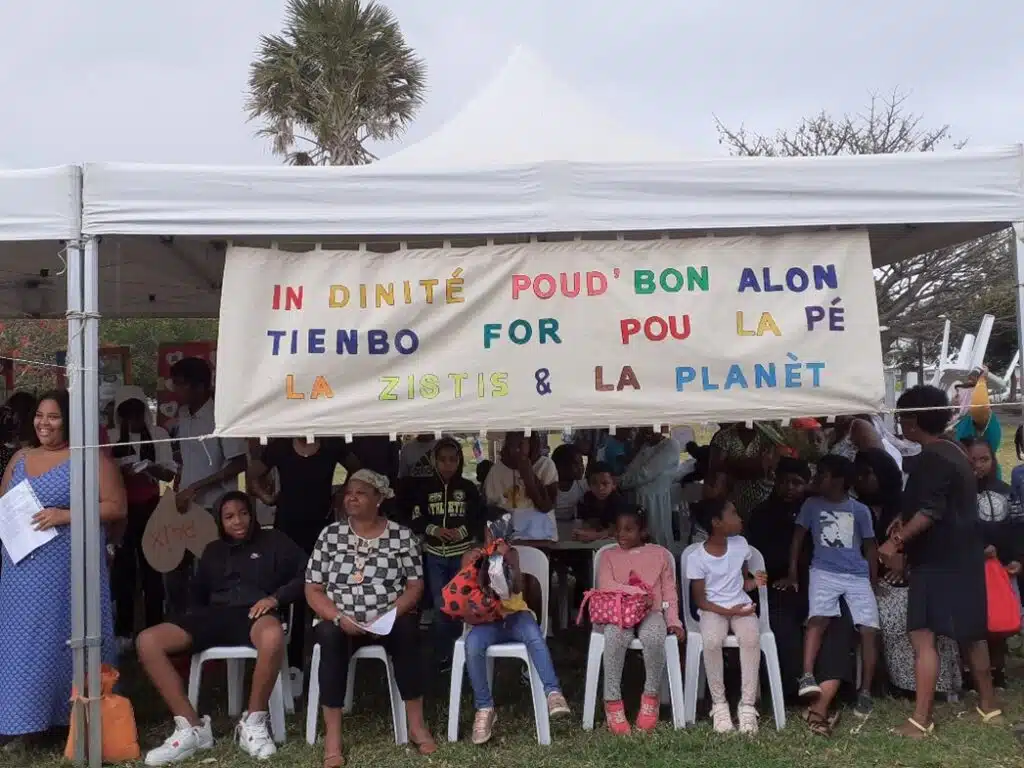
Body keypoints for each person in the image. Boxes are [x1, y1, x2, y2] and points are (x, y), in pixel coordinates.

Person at [136, 491, 306, 764]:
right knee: (148, 641)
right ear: (219, 521)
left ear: (252, 514)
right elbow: (198, 595)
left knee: (273, 636)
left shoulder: (275, 541)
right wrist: (190, 616)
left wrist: (275, 598)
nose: (238, 521)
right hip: (215, 617)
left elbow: (306, 573)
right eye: (229, 517)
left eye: (243, 513)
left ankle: (253, 723)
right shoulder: (213, 551)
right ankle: (191, 728)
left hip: (255, 614)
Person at [0, 390, 127, 742]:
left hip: (69, 572)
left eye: (53, 417)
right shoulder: (21, 458)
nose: (44, 423)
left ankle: (70, 718)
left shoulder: (89, 458)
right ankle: (20, 722)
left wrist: (66, 516)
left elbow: (116, 507)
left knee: (64, 641)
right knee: (21, 644)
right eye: (40, 416)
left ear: (69, 420)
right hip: (21, 571)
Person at [879, 385, 1000, 738]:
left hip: (937, 560)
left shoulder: (932, 457)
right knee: (972, 635)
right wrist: (905, 518)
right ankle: (989, 706)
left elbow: (931, 511)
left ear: (914, 420)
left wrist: (894, 541)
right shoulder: (955, 452)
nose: (900, 424)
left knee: (922, 637)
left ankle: (921, 719)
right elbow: (939, 502)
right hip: (965, 555)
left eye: (902, 417)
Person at [305, 470, 436, 765]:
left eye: (361, 492)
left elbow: (415, 586)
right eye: (349, 491)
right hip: (341, 620)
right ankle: (333, 737)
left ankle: (416, 726)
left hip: (387, 619)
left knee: (407, 631)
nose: (351, 497)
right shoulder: (330, 535)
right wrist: (338, 617)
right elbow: (312, 589)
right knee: (328, 636)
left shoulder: (401, 536)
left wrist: (389, 615)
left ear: (379, 499)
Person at [854, 448, 961, 697]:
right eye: (857, 474)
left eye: (867, 474)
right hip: (871, 579)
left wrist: (906, 568)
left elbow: (926, 542)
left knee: (924, 611)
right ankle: (899, 682)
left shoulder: (905, 505)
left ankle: (939, 684)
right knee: (887, 609)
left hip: (915, 574)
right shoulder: (853, 508)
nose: (861, 479)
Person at [785, 454, 878, 716]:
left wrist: (871, 581)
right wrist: (793, 573)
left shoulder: (860, 510)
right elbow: (798, 539)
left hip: (857, 575)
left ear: (838, 480)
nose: (816, 479)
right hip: (823, 571)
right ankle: (806, 674)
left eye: (822, 474)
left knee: (868, 629)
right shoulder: (812, 505)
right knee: (818, 620)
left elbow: (870, 547)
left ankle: (866, 690)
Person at [462, 526, 570, 745]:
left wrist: (508, 564)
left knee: (534, 636)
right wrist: (477, 564)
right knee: (472, 645)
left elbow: (519, 587)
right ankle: (484, 708)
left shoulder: (512, 554)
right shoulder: (470, 555)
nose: (495, 537)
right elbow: (465, 591)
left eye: (499, 532)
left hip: (515, 616)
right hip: (486, 620)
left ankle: (553, 693)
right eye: (490, 532)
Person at [169, 357, 248, 612]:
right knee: (175, 570)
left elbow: (238, 463)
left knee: (211, 572)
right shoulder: (182, 415)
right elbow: (184, 458)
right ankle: (182, 624)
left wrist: (198, 487)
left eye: (181, 385)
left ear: (200, 386)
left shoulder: (221, 416)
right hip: (184, 507)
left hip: (214, 508)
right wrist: (179, 487)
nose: (176, 390)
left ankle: (211, 622)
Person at [597, 507, 684, 734]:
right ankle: (612, 700)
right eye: (618, 529)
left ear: (643, 531)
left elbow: (669, 591)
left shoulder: (659, 554)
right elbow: (606, 585)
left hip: (651, 612)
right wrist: (636, 593)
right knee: (614, 637)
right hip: (619, 612)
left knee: (655, 636)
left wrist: (674, 620)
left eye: (629, 529)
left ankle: (651, 696)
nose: (621, 535)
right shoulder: (608, 555)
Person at [686, 498, 764, 734]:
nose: (739, 518)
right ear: (716, 522)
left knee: (751, 639)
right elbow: (701, 601)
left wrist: (757, 583)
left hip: (740, 606)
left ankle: (748, 705)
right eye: (733, 514)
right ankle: (719, 704)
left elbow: (741, 580)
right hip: (713, 609)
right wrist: (730, 611)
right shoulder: (696, 557)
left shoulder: (741, 545)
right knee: (711, 641)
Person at [110, 386, 178, 646]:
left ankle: (155, 625)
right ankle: (124, 630)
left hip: (151, 507)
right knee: (124, 569)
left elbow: (170, 475)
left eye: (137, 414)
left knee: (153, 569)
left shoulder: (158, 435)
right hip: (123, 509)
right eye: (127, 415)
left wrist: (150, 468)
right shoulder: (114, 437)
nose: (133, 421)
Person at [409, 437, 485, 665]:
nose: (448, 465)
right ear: (434, 461)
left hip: (462, 556)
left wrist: (461, 532)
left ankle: (464, 651)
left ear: (460, 461)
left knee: (462, 602)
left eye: (453, 460)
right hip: (434, 555)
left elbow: (478, 517)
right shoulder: (424, 489)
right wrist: (434, 529)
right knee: (441, 604)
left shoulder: (468, 488)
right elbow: (415, 517)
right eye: (442, 460)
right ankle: (445, 655)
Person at [966, 438, 1023, 688]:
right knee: (975, 621)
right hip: (969, 569)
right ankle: (973, 673)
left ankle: (998, 670)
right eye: (973, 460)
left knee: (1001, 620)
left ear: (994, 460)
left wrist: (1018, 559)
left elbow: (1019, 528)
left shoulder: (1006, 491)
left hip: (1002, 568)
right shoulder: (960, 496)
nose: (979, 465)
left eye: (984, 459)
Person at [482, 431, 558, 541]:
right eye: (512, 445)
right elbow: (490, 507)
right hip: (508, 540)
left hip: (541, 538)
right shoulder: (497, 470)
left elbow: (547, 506)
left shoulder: (546, 465)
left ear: (531, 444)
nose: (516, 450)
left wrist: (528, 475)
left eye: (521, 444)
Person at [619, 427, 681, 547]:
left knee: (657, 537)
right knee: (639, 539)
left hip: (655, 502)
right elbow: (631, 469)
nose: (649, 432)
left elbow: (645, 473)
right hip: (637, 500)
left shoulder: (670, 444)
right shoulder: (645, 446)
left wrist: (620, 482)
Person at [709, 422, 777, 521]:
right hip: (733, 501)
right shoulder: (724, 436)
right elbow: (716, 468)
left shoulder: (768, 436)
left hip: (763, 498)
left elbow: (764, 468)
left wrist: (730, 463)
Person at [573, 461, 625, 542]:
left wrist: (595, 536)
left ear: (614, 484)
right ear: (588, 484)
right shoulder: (585, 499)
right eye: (594, 483)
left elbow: (616, 530)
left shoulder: (618, 501)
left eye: (605, 483)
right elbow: (587, 524)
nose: (600, 488)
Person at [551, 443, 587, 524]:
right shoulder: (549, 486)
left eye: (581, 463)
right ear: (560, 467)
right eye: (576, 464)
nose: (581, 468)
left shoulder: (582, 485)